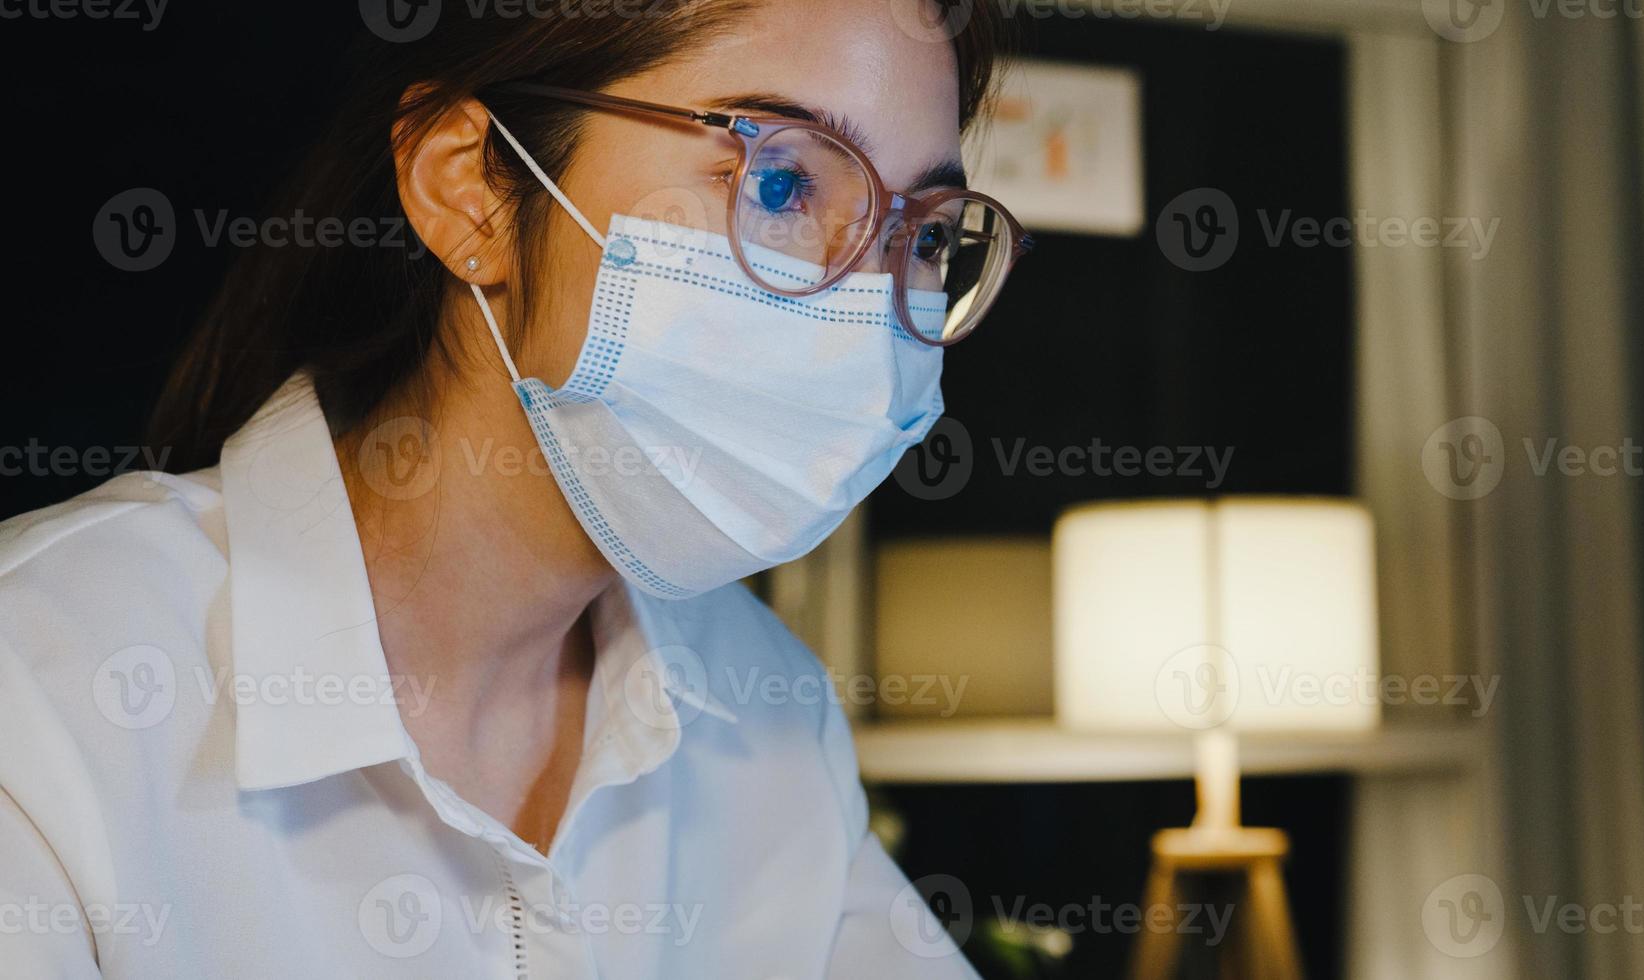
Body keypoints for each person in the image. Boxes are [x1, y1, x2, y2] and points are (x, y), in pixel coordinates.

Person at [0, 0, 1031, 975]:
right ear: (471, 187)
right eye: (781, 183)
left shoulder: (763, 714)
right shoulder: (49, 690)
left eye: (924, 235)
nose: (862, 300)